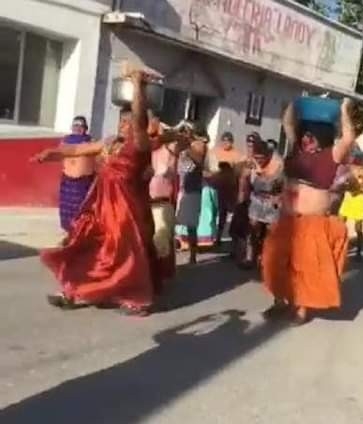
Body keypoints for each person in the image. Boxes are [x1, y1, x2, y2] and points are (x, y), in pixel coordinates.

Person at [30, 68, 166, 316]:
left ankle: (138, 298)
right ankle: (72, 290)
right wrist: (51, 154)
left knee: (121, 253)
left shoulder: (141, 144)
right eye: (121, 121)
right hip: (100, 205)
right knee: (81, 243)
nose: (125, 125)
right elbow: (76, 150)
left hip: (125, 210)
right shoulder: (110, 143)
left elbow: (139, 120)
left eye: (129, 122)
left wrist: (138, 87)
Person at [262, 98, 356, 325]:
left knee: (305, 268)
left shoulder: (331, 155)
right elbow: (288, 125)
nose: (305, 139)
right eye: (304, 136)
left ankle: (301, 310)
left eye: (310, 137)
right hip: (286, 220)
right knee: (273, 262)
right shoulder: (296, 152)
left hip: (312, 223)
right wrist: (293, 105)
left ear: (320, 137)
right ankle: (279, 302)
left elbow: (349, 138)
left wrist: (344, 110)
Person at [175, 124, 209, 264]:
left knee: (191, 224)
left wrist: (188, 147)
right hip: (184, 185)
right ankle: (185, 248)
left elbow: (198, 160)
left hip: (193, 188)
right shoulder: (190, 144)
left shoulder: (200, 144)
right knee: (181, 220)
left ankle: (193, 255)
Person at [247, 140, 284, 267]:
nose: (259, 161)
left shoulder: (278, 164)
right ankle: (250, 257)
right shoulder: (253, 164)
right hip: (257, 199)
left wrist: (279, 198)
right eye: (257, 158)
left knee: (270, 233)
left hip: (272, 200)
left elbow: (284, 185)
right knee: (253, 229)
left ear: (267, 156)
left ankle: (265, 259)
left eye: (261, 158)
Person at [56, 116, 96, 232]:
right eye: (75, 125)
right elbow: (59, 155)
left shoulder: (90, 142)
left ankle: (79, 231)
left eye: (80, 125)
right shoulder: (65, 141)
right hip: (68, 181)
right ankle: (68, 230)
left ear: (85, 128)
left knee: (82, 208)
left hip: (84, 182)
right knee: (66, 208)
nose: (78, 128)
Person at [210, 131, 243, 244]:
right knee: (213, 212)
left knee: (226, 213)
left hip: (229, 188)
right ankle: (212, 236)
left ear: (232, 142)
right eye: (224, 140)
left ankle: (223, 237)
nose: (226, 143)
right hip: (215, 187)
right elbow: (209, 167)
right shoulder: (215, 152)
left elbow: (239, 172)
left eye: (228, 140)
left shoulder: (237, 155)